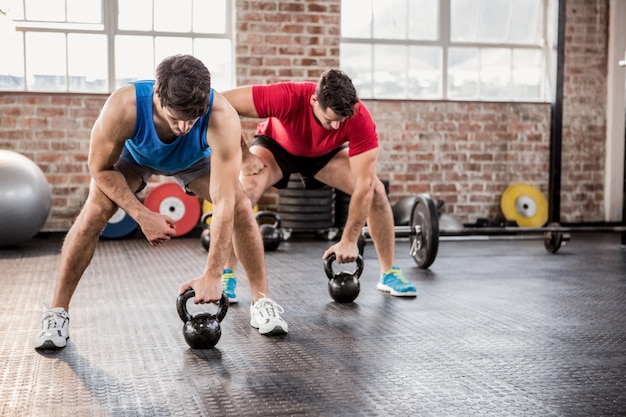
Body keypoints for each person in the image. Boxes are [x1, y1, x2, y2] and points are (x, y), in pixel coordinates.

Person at [34, 54, 287, 350]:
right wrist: (141, 214)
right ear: (157, 93)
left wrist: (213, 274)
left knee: (242, 206)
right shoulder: (123, 107)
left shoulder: (222, 116)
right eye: (174, 117)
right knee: (94, 211)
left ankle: (262, 302)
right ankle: (57, 312)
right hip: (136, 159)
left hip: (193, 163)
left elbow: (223, 200)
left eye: (192, 119)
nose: (183, 127)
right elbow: (99, 169)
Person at [220, 69, 417, 303]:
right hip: (276, 148)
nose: (335, 127)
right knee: (243, 192)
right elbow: (221, 104)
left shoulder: (358, 117)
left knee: (375, 190)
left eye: (341, 121)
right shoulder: (286, 96)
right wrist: (243, 154)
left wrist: (350, 239)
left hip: (325, 155)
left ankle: (389, 273)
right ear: (314, 100)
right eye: (330, 120)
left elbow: (364, 184)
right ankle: (226, 274)